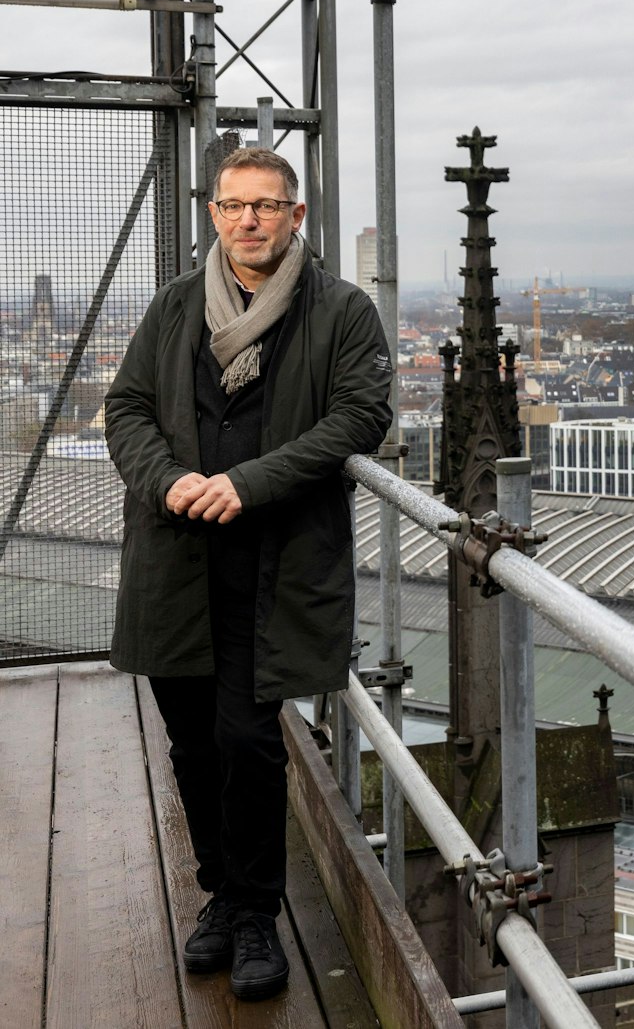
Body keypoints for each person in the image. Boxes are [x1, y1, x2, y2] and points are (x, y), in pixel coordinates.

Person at [105, 147, 392, 1001]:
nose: (249, 220)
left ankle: (260, 908)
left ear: (296, 217)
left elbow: (360, 416)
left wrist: (247, 483)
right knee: (191, 739)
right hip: (175, 559)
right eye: (233, 206)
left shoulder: (342, 310)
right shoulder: (173, 307)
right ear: (214, 214)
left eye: (267, 206)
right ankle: (223, 896)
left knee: (249, 738)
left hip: (276, 563)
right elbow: (124, 408)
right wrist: (168, 479)